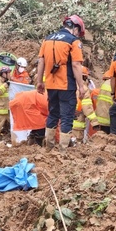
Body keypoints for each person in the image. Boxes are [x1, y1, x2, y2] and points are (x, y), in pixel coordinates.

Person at [35, 15, 87, 150]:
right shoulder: (73, 41)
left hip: (51, 86)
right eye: (78, 32)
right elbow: (76, 65)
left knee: (53, 114)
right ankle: (63, 150)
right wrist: (81, 86)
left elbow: (41, 61)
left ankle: (49, 147)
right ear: (75, 28)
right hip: (66, 85)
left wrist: (40, 81)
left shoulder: (47, 39)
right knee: (67, 117)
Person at [72, 66, 99, 143]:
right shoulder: (83, 89)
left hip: (64, 122)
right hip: (77, 123)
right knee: (76, 145)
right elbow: (87, 107)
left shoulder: (67, 85)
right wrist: (94, 122)